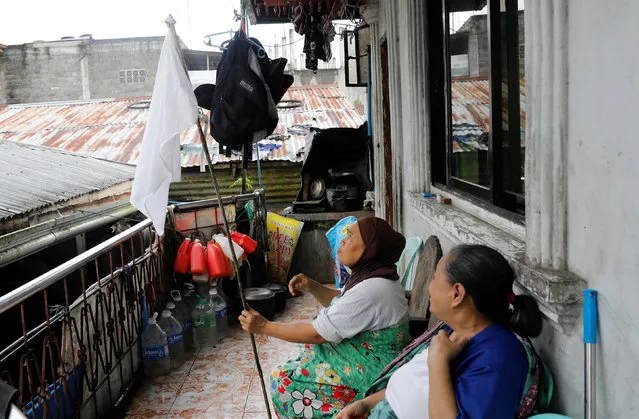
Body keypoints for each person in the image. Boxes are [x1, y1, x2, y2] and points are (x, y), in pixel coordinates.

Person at [336, 244, 552, 419]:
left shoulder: (500, 356)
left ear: (457, 293)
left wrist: (437, 361)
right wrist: (367, 404)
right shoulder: (452, 332)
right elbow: (417, 385)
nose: (429, 287)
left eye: (435, 278)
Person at [239, 217, 411, 418]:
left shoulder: (372, 290)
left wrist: (263, 326)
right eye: (346, 233)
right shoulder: (373, 276)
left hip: (372, 374)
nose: (344, 240)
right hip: (370, 359)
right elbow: (343, 302)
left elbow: (316, 334)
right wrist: (313, 286)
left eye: (352, 236)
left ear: (371, 250)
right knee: (302, 356)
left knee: (283, 382)